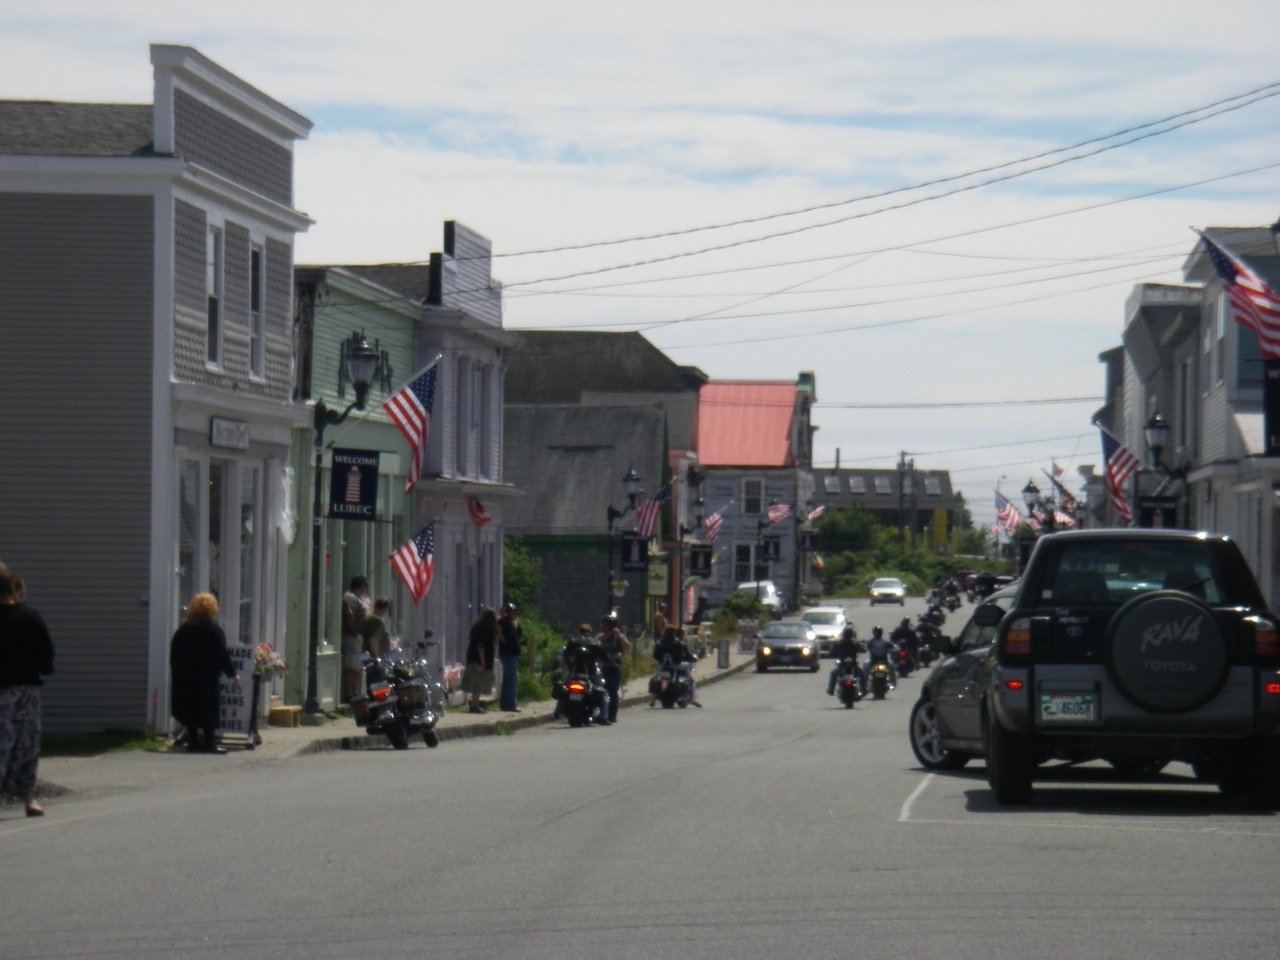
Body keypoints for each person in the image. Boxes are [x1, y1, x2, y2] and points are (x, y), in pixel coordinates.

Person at [0, 567, 55, 816]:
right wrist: (43, 668)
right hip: (24, 689)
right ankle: (28, 798)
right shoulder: (30, 618)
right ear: (13, 588)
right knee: (26, 743)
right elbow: (46, 655)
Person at [170, 593, 238, 754]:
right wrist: (232, 674)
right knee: (208, 709)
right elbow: (222, 655)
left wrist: (176, 674)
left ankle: (193, 742)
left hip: (184, 678)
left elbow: (174, 656)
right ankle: (209, 743)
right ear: (212, 610)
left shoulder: (182, 631)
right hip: (206, 679)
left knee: (190, 709)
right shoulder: (213, 631)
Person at [560, 624, 610, 725]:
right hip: (590, 673)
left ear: (579, 631)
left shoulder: (573, 642)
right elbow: (605, 657)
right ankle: (603, 716)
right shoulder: (595, 643)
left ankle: (559, 710)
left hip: (574, 673)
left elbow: (565, 655)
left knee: (564, 689)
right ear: (590, 632)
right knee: (602, 693)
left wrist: (569, 665)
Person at [652, 626, 701, 707]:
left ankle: (654, 697)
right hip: (676, 665)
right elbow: (683, 656)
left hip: (663, 665)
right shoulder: (678, 643)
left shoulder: (659, 642)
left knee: (657, 676)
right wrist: (692, 659)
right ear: (673, 633)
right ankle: (691, 696)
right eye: (675, 632)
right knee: (689, 676)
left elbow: (655, 656)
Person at [462, 608, 498, 714]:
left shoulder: (479, 626)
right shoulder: (484, 628)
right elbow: (480, 646)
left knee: (477, 684)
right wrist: (482, 661)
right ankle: (474, 705)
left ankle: (475, 704)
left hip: (474, 658)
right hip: (478, 660)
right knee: (478, 683)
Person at [596, 615, 631, 724]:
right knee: (600, 691)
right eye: (603, 625)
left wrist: (618, 635)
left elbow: (627, 647)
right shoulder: (600, 636)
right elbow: (595, 643)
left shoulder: (618, 638)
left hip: (613, 667)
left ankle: (611, 715)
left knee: (612, 692)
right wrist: (606, 636)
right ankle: (600, 714)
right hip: (600, 668)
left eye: (606, 625)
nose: (604, 627)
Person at [340, 575, 370, 703]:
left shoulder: (359, 598)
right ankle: (349, 692)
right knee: (352, 665)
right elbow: (350, 616)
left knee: (358, 665)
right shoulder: (350, 598)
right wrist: (356, 632)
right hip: (352, 637)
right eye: (364, 587)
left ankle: (355, 691)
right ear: (361, 586)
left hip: (361, 638)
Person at [497, 603, 523, 713]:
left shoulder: (515, 623)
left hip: (513, 654)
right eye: (510, 611)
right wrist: (511, 624)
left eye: (513, 612)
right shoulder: (503, 623)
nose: (512, 614)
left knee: (509, 679)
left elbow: (519, 635)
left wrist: (517, 626)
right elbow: (508, 635)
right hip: (507, 654)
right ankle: (511, 704)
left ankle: (505, 704)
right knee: (512, 679)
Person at [826, 626, 864, 696]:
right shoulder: (855, 643)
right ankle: (863, 689)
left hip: (845, 667)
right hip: (851, 666)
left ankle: (831, 690)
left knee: (833, 673)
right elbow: (862, 649)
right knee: (862, 674)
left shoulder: (839, 643)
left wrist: (832, 654)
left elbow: (832, 652)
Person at [360, 597, 391, 662]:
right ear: (385, 608)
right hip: (372, 659)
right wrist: (377, 658)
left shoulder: (368, 617)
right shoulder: (377, 621)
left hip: (366, 655)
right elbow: (373, 640)